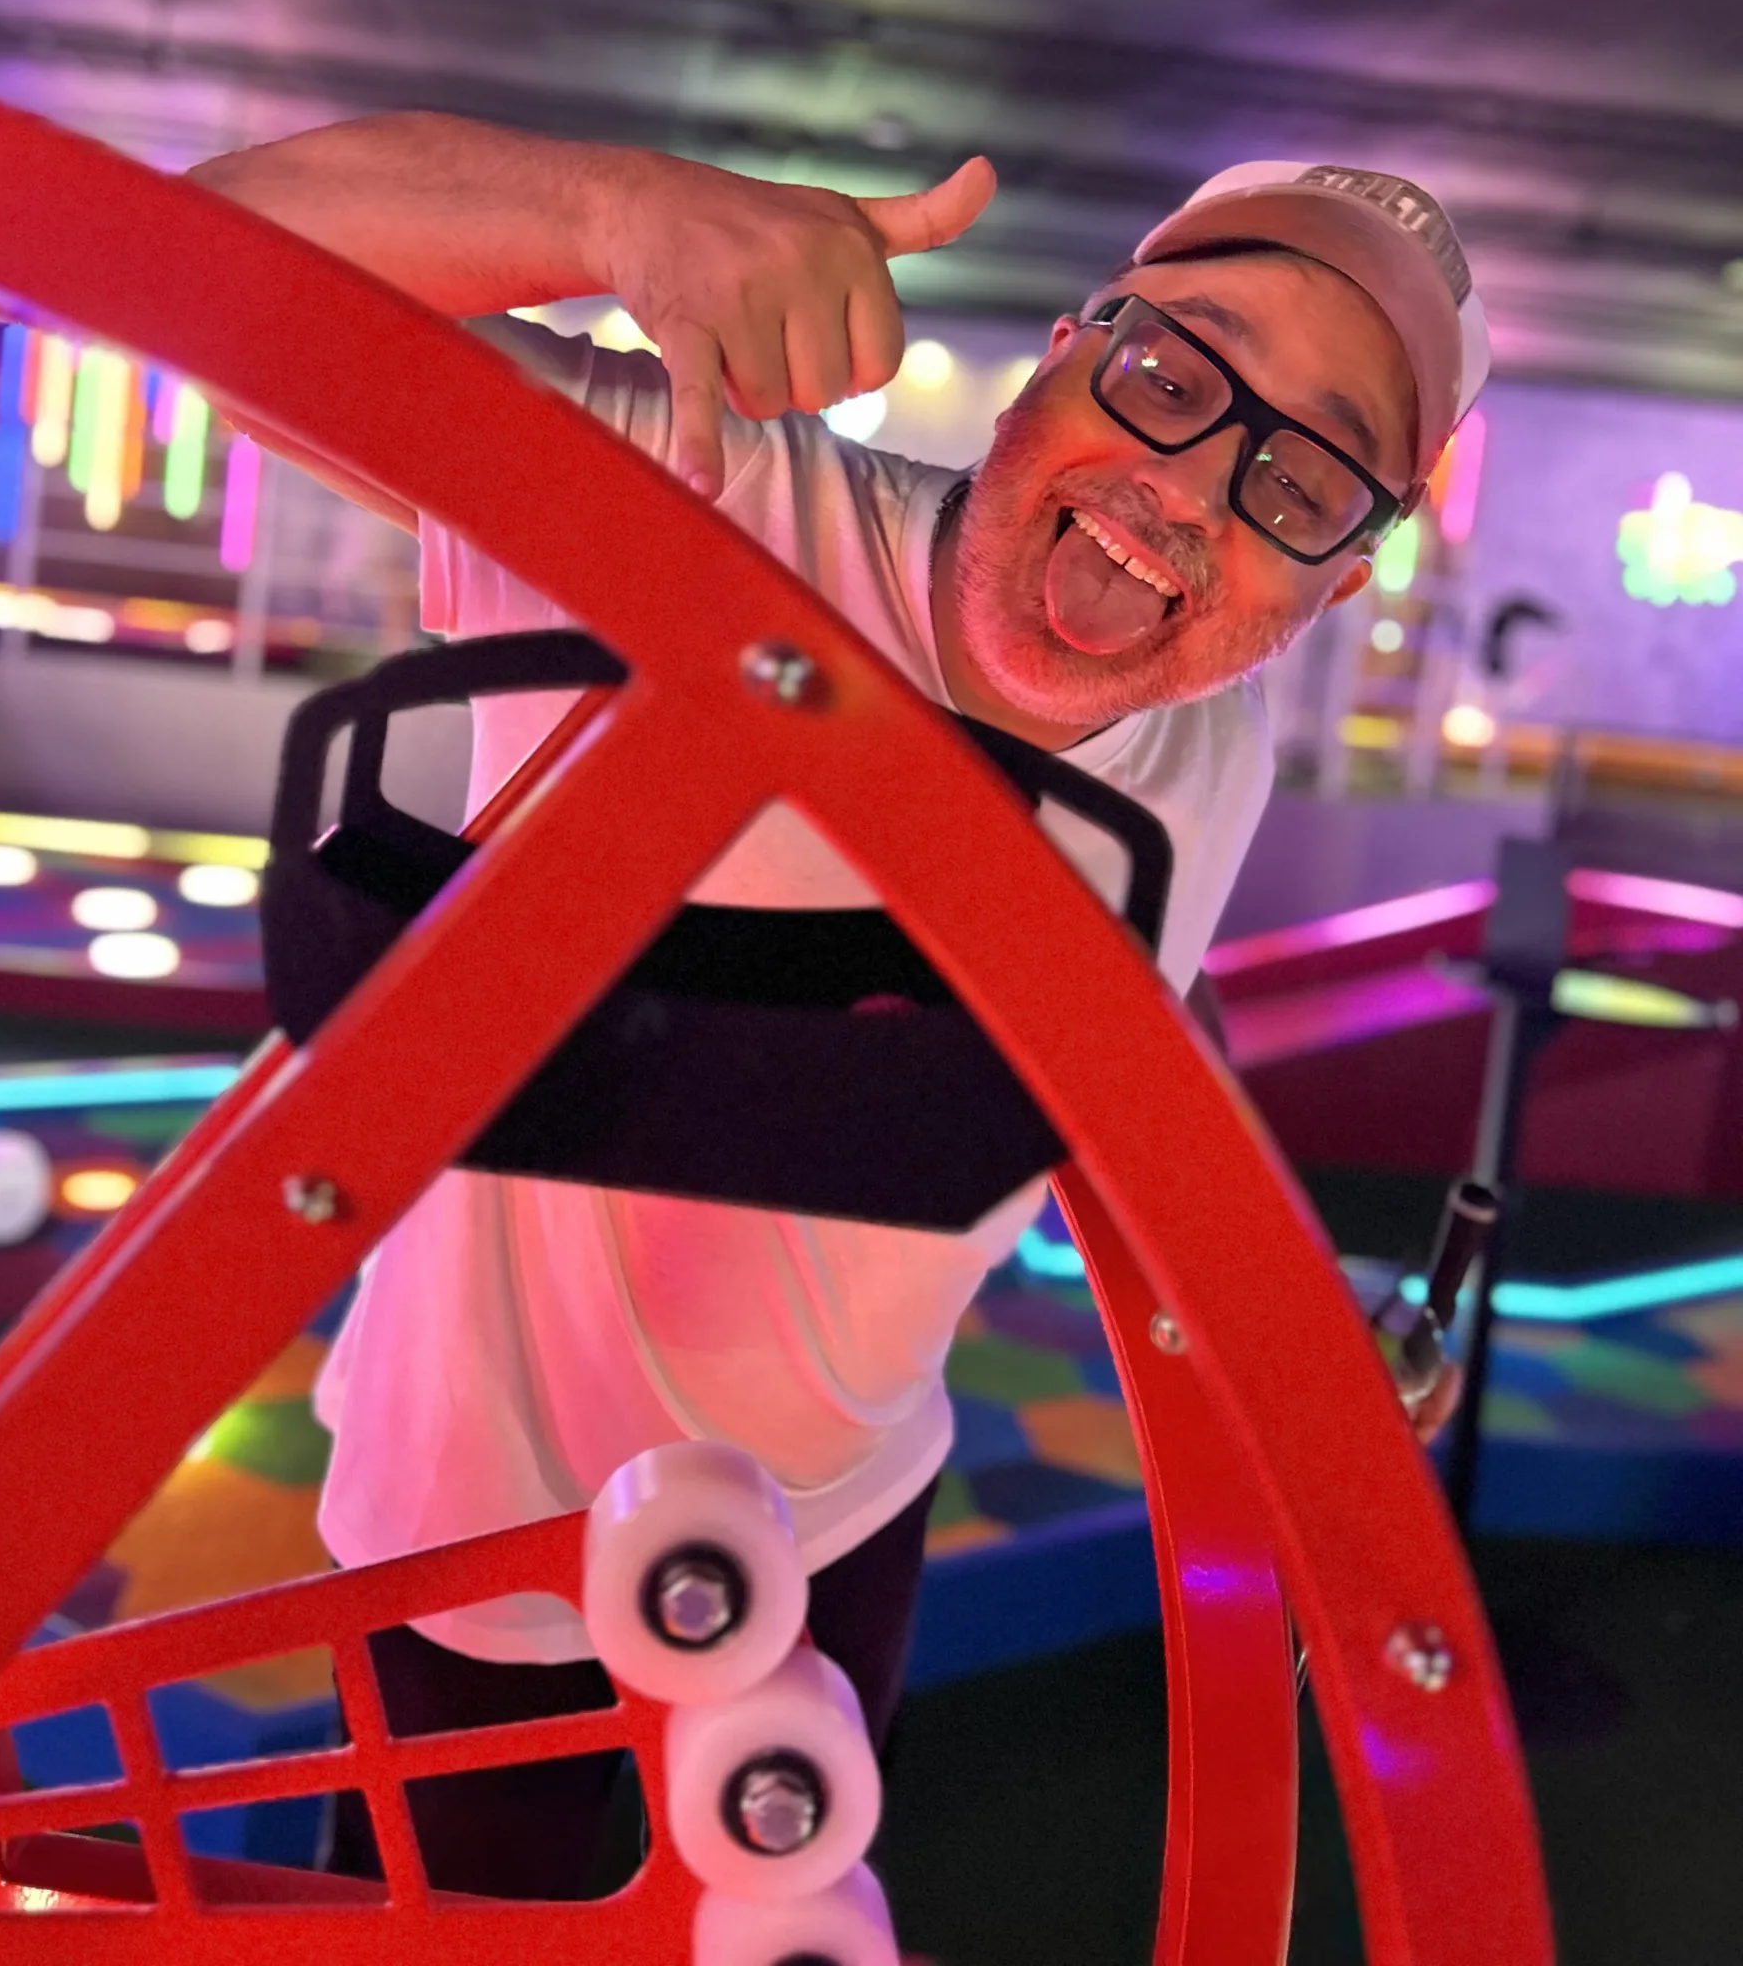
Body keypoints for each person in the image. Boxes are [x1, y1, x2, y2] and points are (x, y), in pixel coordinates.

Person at [193, 122, 1486, 1894]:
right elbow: (198, 277)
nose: (1197, 487)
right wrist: (609, 206)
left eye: (1307, 482)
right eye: (1180, 376)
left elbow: (1131, 1019)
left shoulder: (1207, 751)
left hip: (842, 1502)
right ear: (1066, 351)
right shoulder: (690, 488)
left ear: (1336, 581)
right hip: (477, 1505)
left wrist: (1281, 1298)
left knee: (781, 1918)